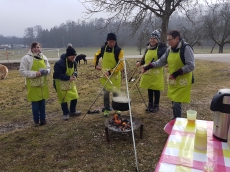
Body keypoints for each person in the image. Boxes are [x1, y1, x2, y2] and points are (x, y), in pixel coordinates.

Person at [143, 29, 195, 119]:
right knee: (173, 99)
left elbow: (191, 65)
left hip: (183, 80)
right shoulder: (169, 50)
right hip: (173, 80)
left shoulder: (186, 48)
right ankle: (175, 118)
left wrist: (177, 73)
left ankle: (177, 121)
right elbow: (161, 61)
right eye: (168, 40)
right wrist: (149, 66)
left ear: (177, 38)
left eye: (170, 40)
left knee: (176, 102)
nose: (169, 42)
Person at [19, 42, 51, 126]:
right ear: (31, 49)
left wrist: (46, 71)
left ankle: (43, 119)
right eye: (35, 47)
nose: (37, 49)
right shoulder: (26, 58)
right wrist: (34, 74)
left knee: (43, 103)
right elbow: (22, 71)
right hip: (32, 85)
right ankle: (36, 120)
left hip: (42, 84)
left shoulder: (44, 57)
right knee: (35, 104)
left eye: (38, 47)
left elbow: (48, 68)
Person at [94, 33, 124, 116]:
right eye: (110, 41)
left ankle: (117, 109)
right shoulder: (103, 49)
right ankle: (106, 109)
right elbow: (96, 55)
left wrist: (111, 71)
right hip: (105, 76)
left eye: (113, 42)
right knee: (106, 93)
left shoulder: (119, 50)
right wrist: (96, 65)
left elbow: (121, 64)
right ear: (107, 41)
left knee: (115, 93)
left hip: (115, 76)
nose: (111, 43)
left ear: (115, 41)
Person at [136, 29, 167, 112]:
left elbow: (162, 60)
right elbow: (145, 58)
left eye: (154, 38)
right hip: (148, 72)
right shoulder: (148, 48)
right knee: (149, 88)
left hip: (156, 73)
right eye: (151, 38)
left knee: (156, 89)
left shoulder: (161, 48)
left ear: (158, 40)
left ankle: (156, 105)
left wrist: (153, 63)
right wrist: (140, 62)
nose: (152, 40)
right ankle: (150, 105)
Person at [53, 46, 81, 121]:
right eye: (72, 56)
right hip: (60, 82)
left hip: (70, 82)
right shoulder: (59, 63)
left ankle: (72, 111)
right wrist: (68, 78)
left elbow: (75, 71)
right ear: (68, 55)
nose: (74, 57)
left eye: (75, 56)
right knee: (64, 99)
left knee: (74, 96)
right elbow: (57, 74)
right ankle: (65, 113)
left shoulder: (74, 62)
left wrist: (75, 75)